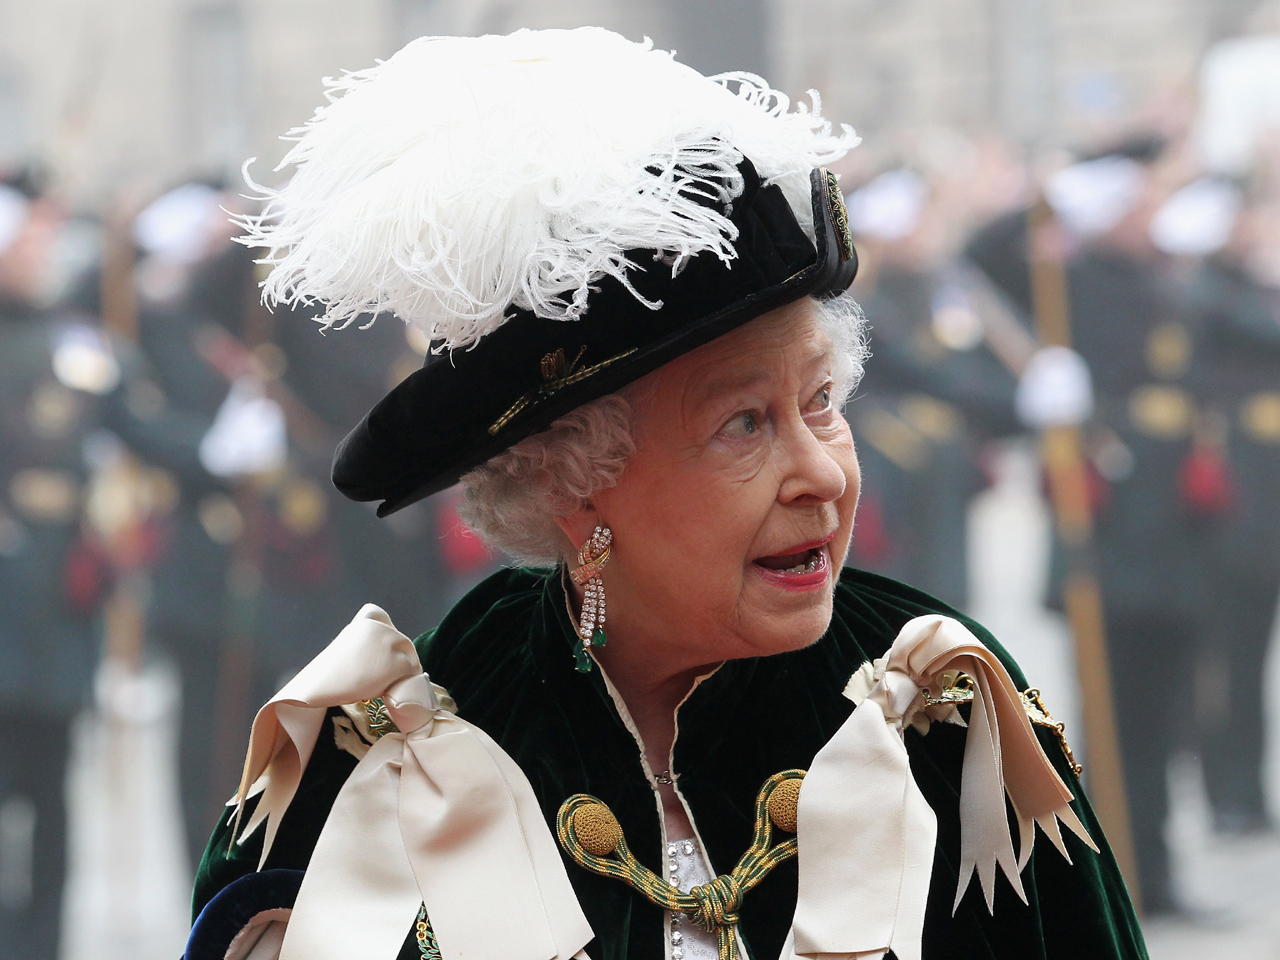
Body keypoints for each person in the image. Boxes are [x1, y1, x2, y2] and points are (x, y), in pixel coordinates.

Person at [184, 29, 1144, 960]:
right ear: (574, 483)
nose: (821, 472)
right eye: (744, 425)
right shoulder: (384, 767)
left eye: (821, 403)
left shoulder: (941, 719)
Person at [966, 142, 1196, 915]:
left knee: (1162, 718)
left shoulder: (1160, 277)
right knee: (1110, 717)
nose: (1147, 220)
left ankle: (1159, 874)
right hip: (1105, 537)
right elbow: (983, 252)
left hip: (1171, 538)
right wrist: (1052, 194)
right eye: (1132, 207)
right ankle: (1115, 874)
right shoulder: (1064, 278)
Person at [0, 171, 115, 960]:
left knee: (51, 794)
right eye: (29, 237)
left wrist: (215, 452)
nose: (43, 252)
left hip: (57, 608)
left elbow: (129, 419)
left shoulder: (75, 336)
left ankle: (43, 942)